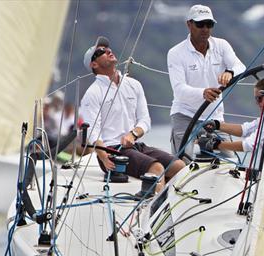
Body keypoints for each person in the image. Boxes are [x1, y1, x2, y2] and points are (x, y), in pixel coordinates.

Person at [79, 37, 185, 193]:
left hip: (135, 145)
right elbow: (93, 132)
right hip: (112, 151)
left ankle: (165, 201)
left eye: (108, 48)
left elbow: (145, 120)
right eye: (101, 51)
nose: (108, 51)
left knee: (179, 167)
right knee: (157, 168)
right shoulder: (92, 93)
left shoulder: (134, 85)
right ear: (93, 64)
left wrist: (133, 134)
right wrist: (103, 156)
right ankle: (153, 210)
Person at [167, 4, 246, 156]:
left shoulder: (222, 45)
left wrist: (230, 72)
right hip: (184, 115)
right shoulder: (175, 53)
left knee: (228, 165)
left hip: (214, 118)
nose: (205, 29)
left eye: (209, 24)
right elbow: (179, 90)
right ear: (189, 24)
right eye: (200, 24)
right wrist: (203, 93)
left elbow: (240, 66)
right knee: (182, 163)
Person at [198, 76, 264, 161]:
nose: (256, 102)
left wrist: (215, 145)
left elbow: (248, 145)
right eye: (256, 99)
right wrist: (217, 124)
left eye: (259, 98)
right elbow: (245, 129)